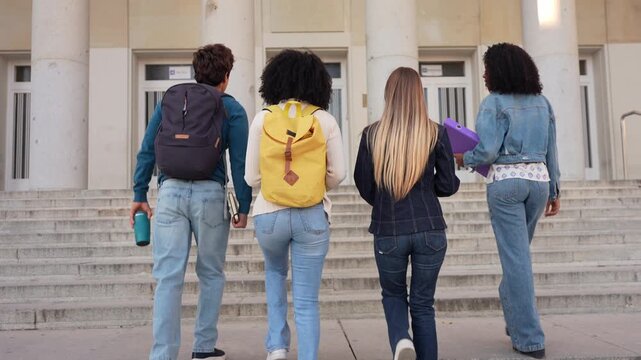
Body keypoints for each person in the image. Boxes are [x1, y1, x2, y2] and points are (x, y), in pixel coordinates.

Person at [130, 43, 252, 360]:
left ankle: (162, 354)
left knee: (168, 278)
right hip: (210, 195)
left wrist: (139, 194)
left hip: (169, 193)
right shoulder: (232, 108)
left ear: (195, 72)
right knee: (211, 273)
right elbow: (240, 163)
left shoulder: (171, 102)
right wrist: (244, 205)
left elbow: (147, 148)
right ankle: (203, 347)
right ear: (226, 75)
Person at [454, 42, 561, 359]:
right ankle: (516, 319)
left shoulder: (493, 103)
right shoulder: (542, 103)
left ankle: (530, 338)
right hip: (538, 184)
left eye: (487, 69)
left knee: (516, 261)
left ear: (499, 70)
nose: (484, 75)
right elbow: (551, 150)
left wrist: (462, 158)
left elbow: (486, 152)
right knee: (519, 257)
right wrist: (555, 190)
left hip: (507, 185)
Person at [244, 49, 346, 360]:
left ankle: (276, 347)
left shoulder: (263, 118)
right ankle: (308, 356)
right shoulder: (325, 120)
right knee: (306, 298)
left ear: (274, 81)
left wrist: (274, 184)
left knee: (275, 275)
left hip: (269, 215)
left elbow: (250, 177)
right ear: (318, 83)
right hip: (311, 216)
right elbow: (339, 174)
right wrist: (315, 185)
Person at [354, 67, 460, 360]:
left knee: (393, 294)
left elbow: (363, 184)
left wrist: (385, 202)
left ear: (389, 94)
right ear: (419, 94)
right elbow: (448, 185)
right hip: (430, 229)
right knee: (424, 304)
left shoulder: (371, 134)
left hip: (389, 231)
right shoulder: (436, 132)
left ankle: (402, 340)